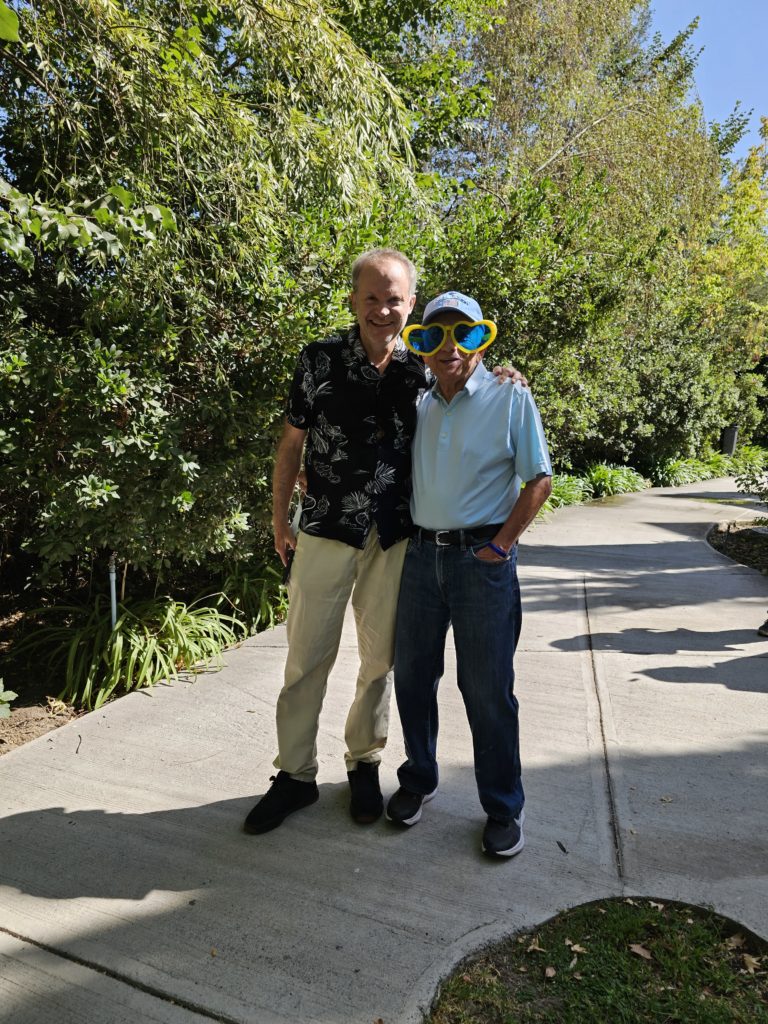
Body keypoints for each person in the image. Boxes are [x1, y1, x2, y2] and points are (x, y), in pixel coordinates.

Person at [243, 249, 423, 834]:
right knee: (306, 659)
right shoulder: (318, 358)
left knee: (379, 660)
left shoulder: (423, 367)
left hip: (392, 535)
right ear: (353, 300)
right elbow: (291, 445)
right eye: (371, 297)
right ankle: (295, 776)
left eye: (393, 298)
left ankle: (364, 763)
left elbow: (473, 397)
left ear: (411, 303)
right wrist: (280, 521)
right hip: (324, 527)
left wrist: (505, 376)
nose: (381, 309)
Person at [386, 290, 553, 858]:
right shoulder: (418, 400)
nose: (449, 347)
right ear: (422, 344)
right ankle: (419, 777)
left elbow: (538, 479)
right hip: (420, 558)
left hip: (481, 562)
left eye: (465, 333)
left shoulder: (510, 395)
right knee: (412, 678)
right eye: (435, 335)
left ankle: (504, 807)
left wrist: (500, 547)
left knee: (486, 690)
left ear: (481, 340)